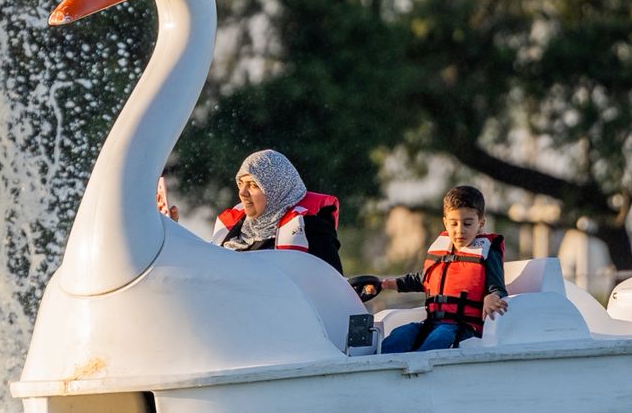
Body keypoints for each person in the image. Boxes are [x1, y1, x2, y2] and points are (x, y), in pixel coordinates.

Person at [373, 185, 508, 353]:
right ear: (445, 223)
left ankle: (420, 369)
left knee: (438, 339)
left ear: (481, 223)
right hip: (431, 323)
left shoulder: (488, 252)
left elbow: (498, 288)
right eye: (454, 224)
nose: (460, 230)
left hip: (464, 328)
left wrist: (492, 296)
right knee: (400, 336)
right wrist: (388, 284)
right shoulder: (441, 250)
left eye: (467, 223)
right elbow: (423, 279)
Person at [161, 149, 343, 273]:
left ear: (276, 189)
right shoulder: (232, 233)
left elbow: (331, 287)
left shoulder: (310, 228)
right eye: (241, 183)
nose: (242, 192)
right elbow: (201, 269)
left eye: (253, 185)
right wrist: (171, 232)